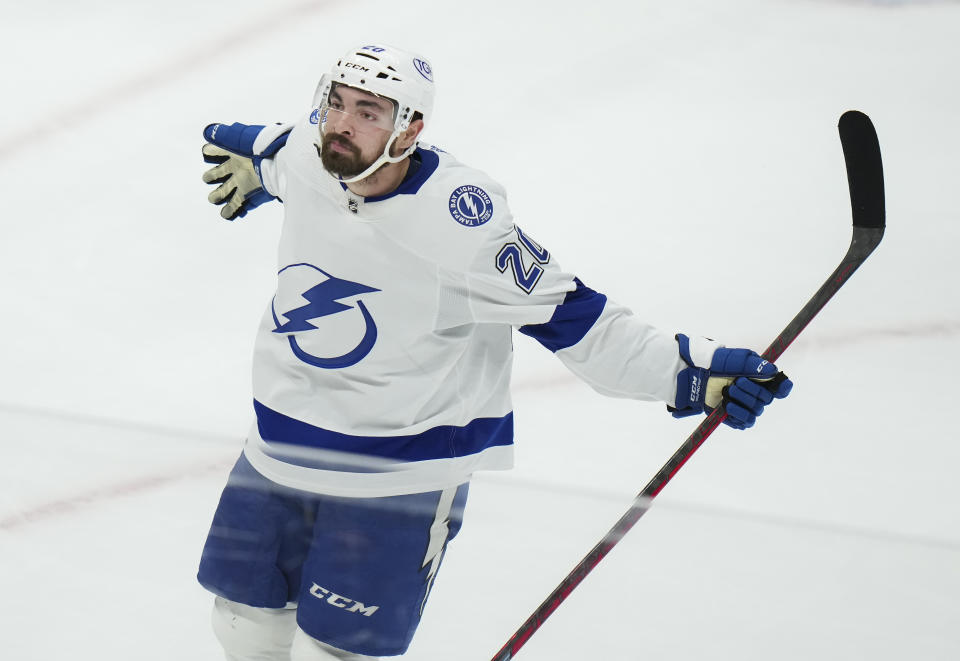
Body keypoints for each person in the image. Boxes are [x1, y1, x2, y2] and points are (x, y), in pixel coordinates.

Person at [196, 43, 793, 661]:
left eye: (369, 112)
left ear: (411, 129)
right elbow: (280, 153)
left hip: (398, 472)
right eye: (337, 104)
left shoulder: (461, 226)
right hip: (278, 450)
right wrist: (261, 172)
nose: (343, 124)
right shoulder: (308, 152)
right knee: (243, 626)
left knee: (337, 654)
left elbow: (573, 318)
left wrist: (686, 374)